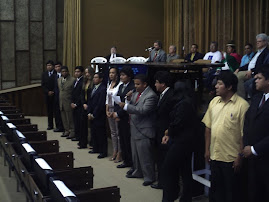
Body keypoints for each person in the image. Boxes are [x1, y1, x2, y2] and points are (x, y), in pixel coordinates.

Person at [202, 71, 249, 202]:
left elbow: (243, 135)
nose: (216, 86)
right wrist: (207, 150)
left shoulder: (242, 106)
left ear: (229, 87)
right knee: (216, 191)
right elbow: (208, 128)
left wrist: (239, 156)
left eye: (220, 84)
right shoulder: (214, 102)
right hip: (215, 155)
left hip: (231, 159)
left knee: (232, 193)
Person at [161, 81, 197, 202]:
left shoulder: (184, 104)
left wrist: (168, 132)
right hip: (186, 141)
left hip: (181, 141)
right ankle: (185, 198)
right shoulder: (189, 101)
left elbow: (178, 123)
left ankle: (170, 197)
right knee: (185, 170)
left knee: (168, 168)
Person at [118, 74, 157, 186]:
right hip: (134, 126)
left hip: (144, 129)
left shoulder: (151, 96)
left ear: (145, 84)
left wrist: (125, 106)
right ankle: (138, 172)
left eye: (138, 84)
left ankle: (149, 176)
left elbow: (143, 110)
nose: (135, 86)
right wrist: (128, 99)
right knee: (136, 154)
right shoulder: (136, 93)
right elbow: (133, 105)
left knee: (145, 155)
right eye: (135, 84)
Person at [243, 67, 269, 202]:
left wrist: (254, 149)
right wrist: (247, 145)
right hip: (251, 158)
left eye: (259, 78)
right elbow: (247, 124)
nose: (255, 80)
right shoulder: (256, 98)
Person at [151, 71, 174, 190]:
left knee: (164, 159)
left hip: (165, 132)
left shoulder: (170, 95)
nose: (155, 84)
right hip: (159, 130)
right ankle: (161, 182)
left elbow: (170, 116)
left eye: (156, 82)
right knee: (159, 158)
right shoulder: (162, 94)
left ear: (163, 83)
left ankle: (165, 183)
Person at [113, 66, 135, 169]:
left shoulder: (132, 87)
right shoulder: (121, 85)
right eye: (120, 75)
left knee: (127, 140)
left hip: (127, 117)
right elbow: (117, 100)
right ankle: (125, 160)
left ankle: (130, 162)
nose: (121, 77)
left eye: (123, 75)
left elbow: (128, 104)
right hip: (120, 115)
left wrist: (118, 114)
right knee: (122, 139)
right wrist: (116, 113)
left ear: (129, 76)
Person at [235, 33, 269, 98]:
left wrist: (252, 70)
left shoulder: (266, 53)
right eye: (257, 42)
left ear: (265, 42)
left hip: (255, 72)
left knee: (238, 77)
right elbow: (249, 63)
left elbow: (263, 65)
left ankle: (241, 98)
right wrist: (239, 68)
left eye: (259, 41)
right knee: (233, 76)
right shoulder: (256, 53)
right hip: (248, 71)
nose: (257, 43)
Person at [87, 72, 107, 159]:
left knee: (101, 134)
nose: (94, 79)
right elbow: (90, 102)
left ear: (101, 79)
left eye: (96, 77)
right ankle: (95, 148)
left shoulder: (103, 89)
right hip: (92, 114)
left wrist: (94, 114)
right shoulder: (93, 88)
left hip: (99, 115)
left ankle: (103, 151)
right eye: (94, 77)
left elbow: (100, 104)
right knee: (94, 132)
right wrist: (89, 112)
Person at [106, 67, 122, 162]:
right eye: (110, 73)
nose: (111, 74)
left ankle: (120, 152)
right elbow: (107, 98)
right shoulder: (109, 83)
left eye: (113, 73)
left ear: (117, 74)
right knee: (113, 133)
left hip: (116, 110)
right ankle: (115, 150)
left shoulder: (120, 85)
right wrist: (107, 110)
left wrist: (114, 112)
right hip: (109, 109)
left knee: (118, 132)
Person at [78, 67, 94, 149]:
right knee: (82, 125)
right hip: (84, 105)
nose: (87, 74)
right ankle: (83, 142)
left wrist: (88, 104)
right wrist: (83, 103)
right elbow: (81, 94)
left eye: (88, 72)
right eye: (86, 73)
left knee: (91, 126)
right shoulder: (84, 82)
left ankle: (92, 143)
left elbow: (93, 96)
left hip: (91, 106)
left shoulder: (93, 83)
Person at [58, 66, 76, 138]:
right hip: (61, 101)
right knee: (64, 117)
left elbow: (74, 92)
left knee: (70, 118)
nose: (64, 73)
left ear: (68, 72)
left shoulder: (72, 80)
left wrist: (73, 102)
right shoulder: (59, 80)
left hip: (69, 101)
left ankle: (72, 131)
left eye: (65, 71)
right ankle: (66, 130)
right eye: (62, 72)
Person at [41, 60, 56, 130]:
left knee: (56, 111)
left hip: (55, 94)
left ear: (53, 66)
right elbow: (43, 85)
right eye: (47, 65)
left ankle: (58, 125)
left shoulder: (56, 73)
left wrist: (53, 91)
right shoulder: (44, 74)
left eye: (50, 65)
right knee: (49, 111)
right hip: (47, 95)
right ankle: (50, 125)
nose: (49, 67)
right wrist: (48, 92)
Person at [70, 66, 84, 141]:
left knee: (79, 122)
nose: (76, 73)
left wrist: (76, 104)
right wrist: (72, 102)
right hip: (74, 104)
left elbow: (80, 95)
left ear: (82, 72)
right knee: (75, 121)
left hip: (79, 105)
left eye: (78, 72)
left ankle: (79, 137)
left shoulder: (82, 81)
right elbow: (73, 93)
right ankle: (76, 135)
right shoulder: (76, 81)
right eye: (75, 72)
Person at [53, 61, 64, 132]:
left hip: (63, 97)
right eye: (56, 67)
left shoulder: (64, 75)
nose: (57, 68)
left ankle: (63, 127)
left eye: (58, 66)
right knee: (56, 113)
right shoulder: (54, 76)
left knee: (62, 113)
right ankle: (58, 126)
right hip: (56, 96)